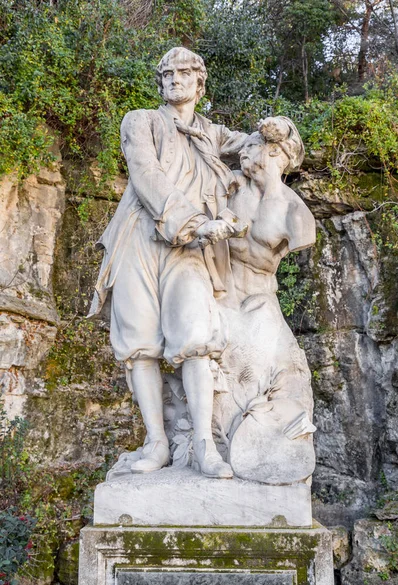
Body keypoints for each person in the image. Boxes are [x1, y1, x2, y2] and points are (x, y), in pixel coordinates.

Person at [89, 47, 249, 478]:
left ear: (201, 83)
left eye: (185, 73)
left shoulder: (212, 134)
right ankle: (157, 443)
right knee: (139, 342)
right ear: (160, 83)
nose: (175, 80)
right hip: (141, 236)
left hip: (191, 249)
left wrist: (277, 134)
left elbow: (258, 149)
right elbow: (146, 174)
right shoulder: (141, 121)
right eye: (167, 74)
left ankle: (204, 445)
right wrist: (196, 222)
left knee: (196, 336)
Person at [213, 116, 317, 484]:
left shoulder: (295, 214)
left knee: (282, 378)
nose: (244, 151)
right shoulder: (228, 187)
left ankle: (267, 455)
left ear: (275, 153)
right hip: (220, 298)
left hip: (260, 301)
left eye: (253, 146)